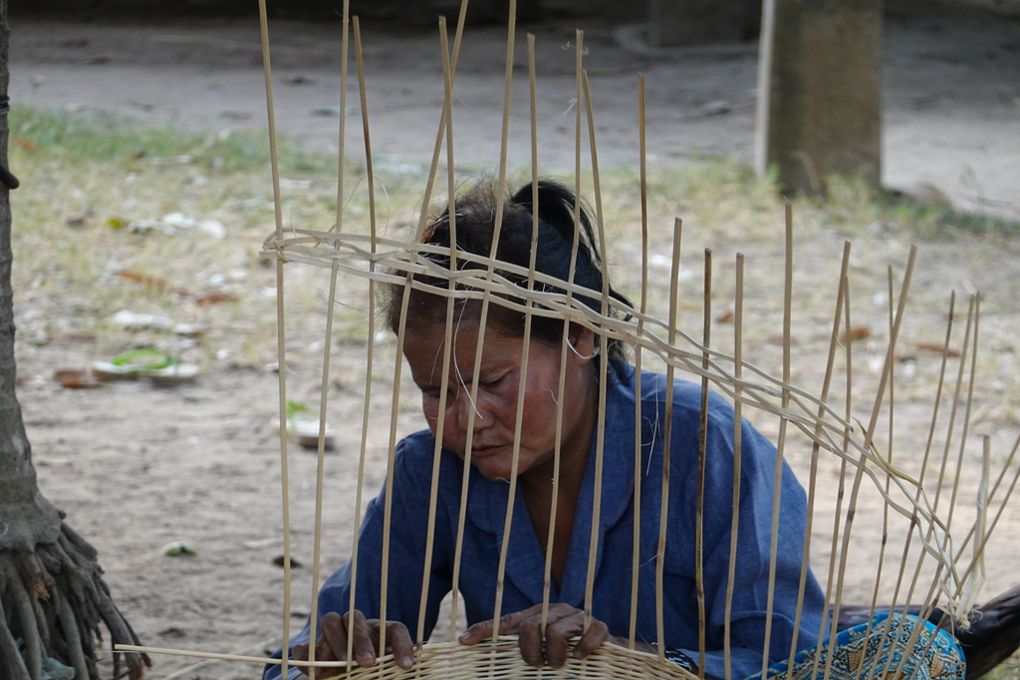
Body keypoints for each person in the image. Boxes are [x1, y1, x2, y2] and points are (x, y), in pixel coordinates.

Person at [264, 180, 971, 680]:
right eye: (434, 390)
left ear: (579, 336)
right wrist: (335, 657)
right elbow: (303, 655)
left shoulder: (702, 445)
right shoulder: (433, 468)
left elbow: (787, 659)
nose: (465, 418)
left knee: (906, 653)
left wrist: (633, 665)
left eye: (494, 381)